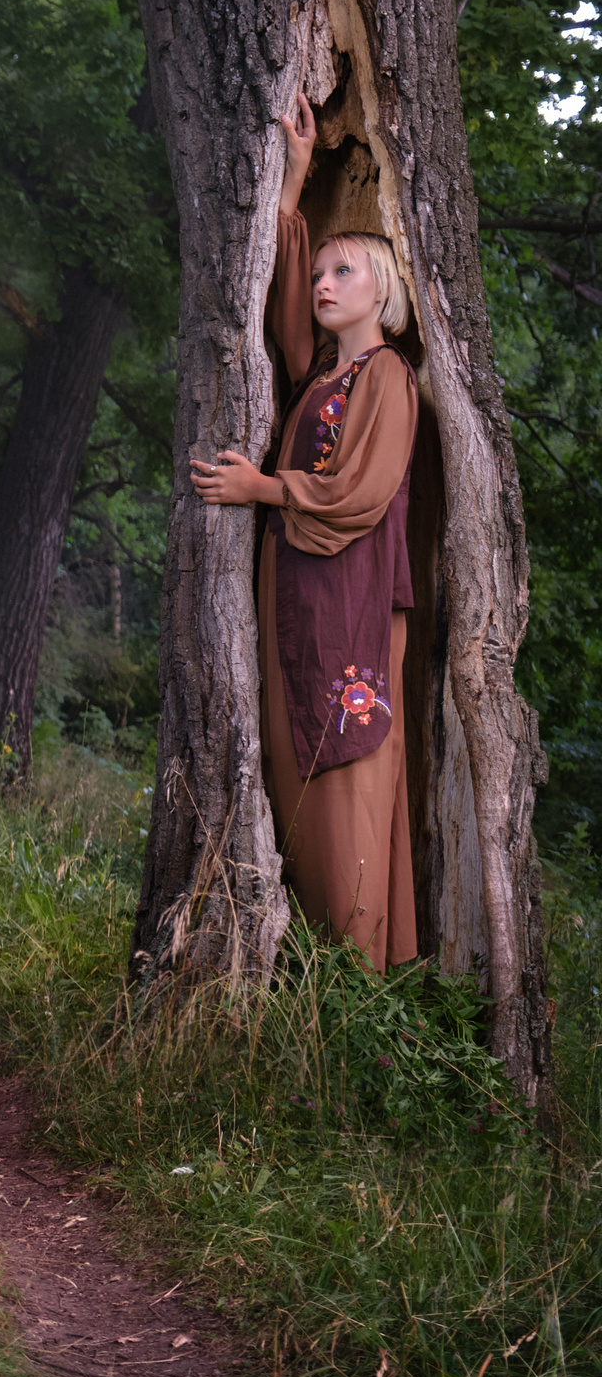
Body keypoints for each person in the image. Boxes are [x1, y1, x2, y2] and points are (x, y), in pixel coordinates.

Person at [189, 91, 419, 969]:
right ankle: (312, 969)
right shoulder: (325, 374)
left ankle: (360, 983)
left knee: (351, 776)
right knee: (295, 775)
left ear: (382, 290)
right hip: (299, 599)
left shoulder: (387, 376)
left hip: (352, 606)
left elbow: (357, 494)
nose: (323, 284)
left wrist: (260, 488)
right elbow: (285, 330)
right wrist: (290, 183)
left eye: (343, 273)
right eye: (318, 272)